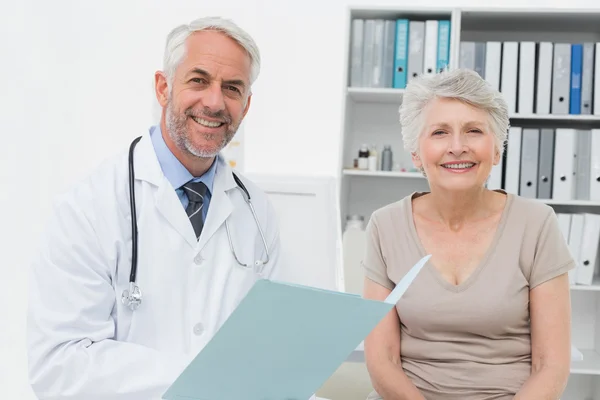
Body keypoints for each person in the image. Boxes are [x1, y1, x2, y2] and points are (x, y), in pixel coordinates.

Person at [27, 17, 289, 400]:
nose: (214, 102)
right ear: (163, 88)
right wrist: (199, 378)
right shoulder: (89, 206)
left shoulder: (256, 210)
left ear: (246, 106)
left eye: (232, 88)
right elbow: (60, 363)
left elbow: (271, 341)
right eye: (198, 80)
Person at [362, 68, 574, 400]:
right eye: (440, 132)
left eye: (474, 131)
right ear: (416, 153)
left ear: (497, 149)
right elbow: (382, 360)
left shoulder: (537, 223)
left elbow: (551, 365)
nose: (457, 147)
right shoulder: (385, 225)